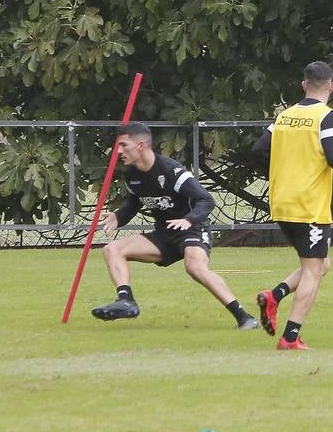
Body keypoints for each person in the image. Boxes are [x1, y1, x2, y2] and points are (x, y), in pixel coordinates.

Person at [251, 61, 333, 350]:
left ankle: (275, 295)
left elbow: (259, 149)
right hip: (308, 205)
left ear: (303, 84)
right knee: (312, 270)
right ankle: (290, 337)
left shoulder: (284, 117)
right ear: (331, 87)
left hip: (282, 201)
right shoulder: (328, 118)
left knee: (321, 264)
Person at [90, 122, 260, 330]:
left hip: (192, 229)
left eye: (124, 145)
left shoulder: (171, 170)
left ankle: (245, 318)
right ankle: (126, 302)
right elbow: (134, 203)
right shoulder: (132, 175)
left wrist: (188, 220)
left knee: (194, 266)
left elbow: (206, 200)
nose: (119, 151)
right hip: (164, 235)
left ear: (141, 145)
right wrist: (118, 217)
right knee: (112, 249)